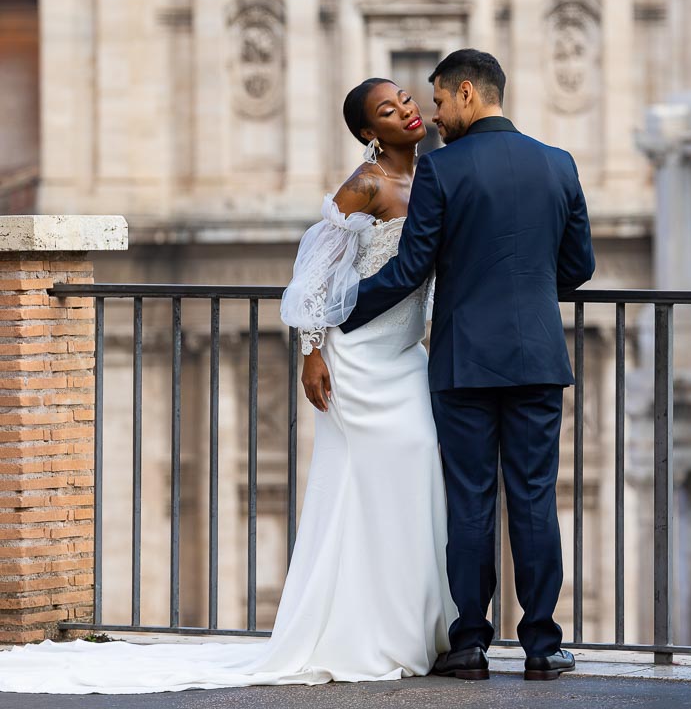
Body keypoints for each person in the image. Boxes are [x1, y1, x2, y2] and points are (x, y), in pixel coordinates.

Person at [0, 80, 454, 694]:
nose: (405, 108)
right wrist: (311, 351)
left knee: (413, 475)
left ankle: (410, 625)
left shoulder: (438, 175)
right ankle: (363, 631)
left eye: (403, 97)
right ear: (371, 133)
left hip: (404, 355)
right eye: (386, 109)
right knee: (361, 486)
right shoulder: (366, 184)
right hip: (359, 359)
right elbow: (314, 272)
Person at [330, 49, 595, 682]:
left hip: (463, 361)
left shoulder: (442, 172)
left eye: (442, 102)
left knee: (470, 501)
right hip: (536, 357)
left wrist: (337, 313)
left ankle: (471, 643)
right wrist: (528, 289)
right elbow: (579, 267)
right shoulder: (558, 165)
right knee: (533, 499)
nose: (437, 116)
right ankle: (540, 645)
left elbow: (410, 269)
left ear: (468, 93)